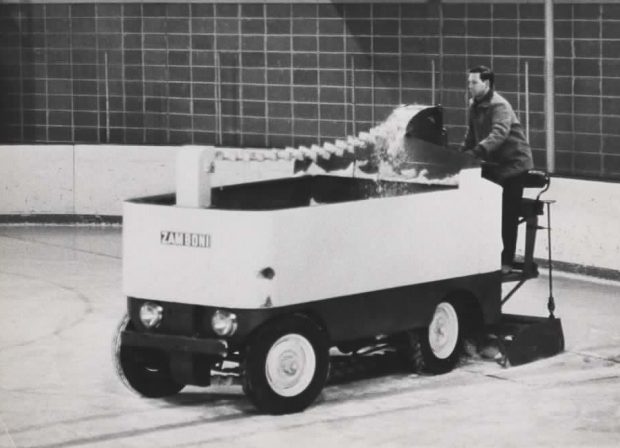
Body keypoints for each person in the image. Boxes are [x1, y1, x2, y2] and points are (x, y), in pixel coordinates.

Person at [460, 65, 534, 274]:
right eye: (469, 82)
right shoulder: (473, 104)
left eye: (474, 82)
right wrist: (460, 154)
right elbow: (471, 133)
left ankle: (506, 261)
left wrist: (477, 152)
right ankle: (486, 256)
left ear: (487, 84)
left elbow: (499, 134)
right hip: (496, 164)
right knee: (487, 210)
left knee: (508, 214)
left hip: (514, 165)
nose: (470, 86)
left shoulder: (499, 105)